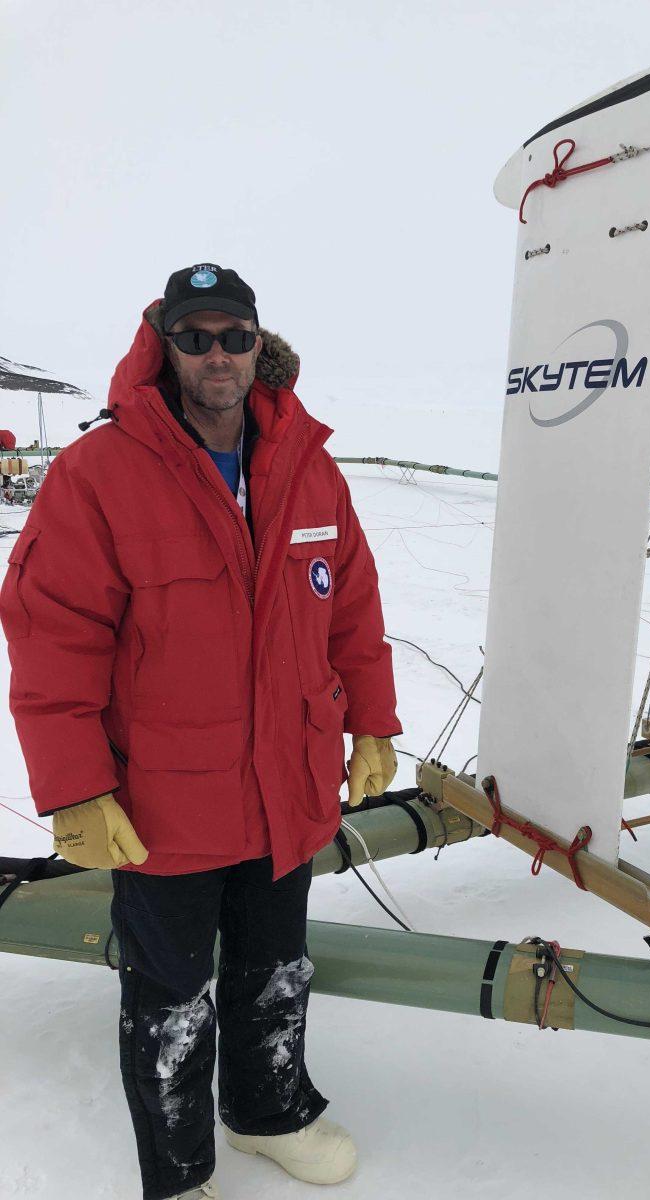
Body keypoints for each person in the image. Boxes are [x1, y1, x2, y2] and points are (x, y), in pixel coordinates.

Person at [0, 263, 402, 1200]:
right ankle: (180, 1175)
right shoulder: (100, 474)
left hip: (286, 787)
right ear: (165, 346)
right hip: (164, 800)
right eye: (196, 337)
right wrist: (75, 788)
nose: (217, 355)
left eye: (234, 336)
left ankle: (269, 1115)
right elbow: (53, 639)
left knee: (275, 969)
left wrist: (373, 722)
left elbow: (352, 608)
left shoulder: (310, 466)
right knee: (171, 998)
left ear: (260, 345)